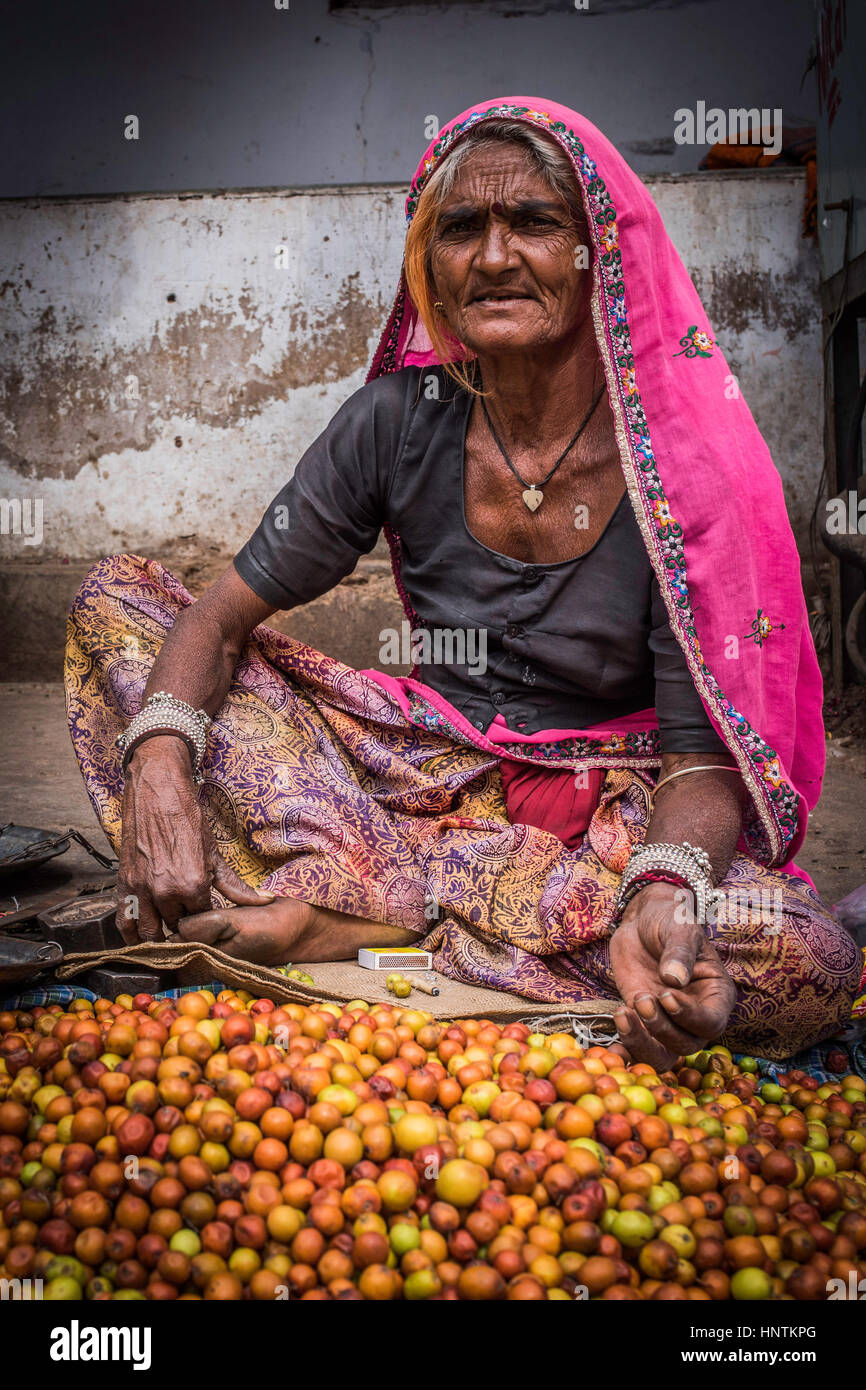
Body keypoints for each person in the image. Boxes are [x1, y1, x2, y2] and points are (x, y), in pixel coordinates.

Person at [66, 96, 863, 1068]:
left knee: (804, 964)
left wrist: (663, 891)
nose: (492, 256)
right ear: (428, 268)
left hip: (599, 818)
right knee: (118, 606)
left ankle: (370, 912)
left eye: (532, 222)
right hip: (415, 775)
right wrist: (158, 765)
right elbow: (219, 619)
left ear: (594, 252)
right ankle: (436, 914)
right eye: (459, 228)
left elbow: (701, 758)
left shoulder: (682, 465)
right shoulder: (397, 420)